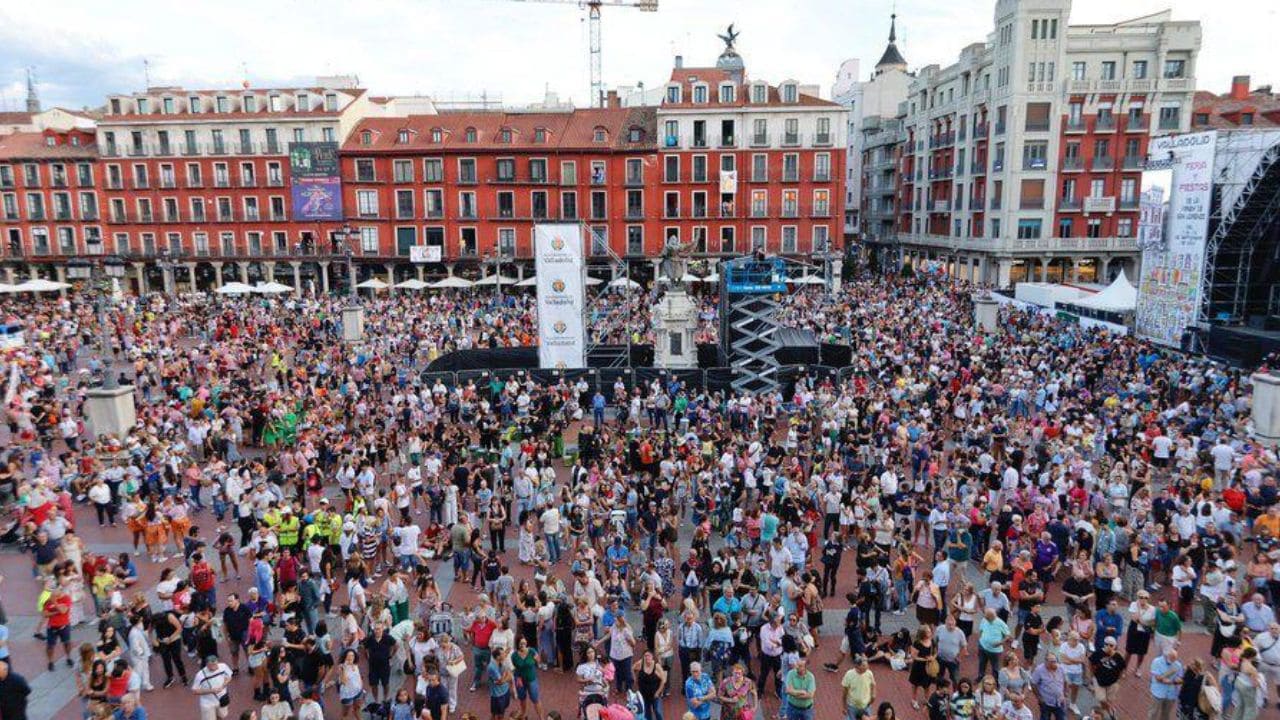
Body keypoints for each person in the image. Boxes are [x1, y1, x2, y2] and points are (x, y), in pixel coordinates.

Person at [511, 636, 544, 720]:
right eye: (521, 643)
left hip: (531, 679)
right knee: (522, 698)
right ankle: (524, 715)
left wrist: (537, 658)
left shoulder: (532, 651)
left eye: (524, 643)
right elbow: (515, 667)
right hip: (520, 680)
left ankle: (541, 717)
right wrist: (517, 677)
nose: (523, 645)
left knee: (535, 699)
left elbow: (539, 661)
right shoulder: (514, 655)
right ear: (518, 644)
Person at [191, 655, 232, 720]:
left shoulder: (223, 666)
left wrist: (223, 685)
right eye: (211, 665)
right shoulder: (200, 675)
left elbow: (229, 677)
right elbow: (194, 691)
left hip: (222, 698)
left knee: (222, 716)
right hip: (208, 703)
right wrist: (211, 690)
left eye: (215, 664)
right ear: (206, 664)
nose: (215, 667)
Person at [1028, 653, 1067, 720]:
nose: (1054, 663)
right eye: (1052, 661)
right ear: (1046, 662)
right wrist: (1039, 697)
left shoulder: (1061, 668)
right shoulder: (1039, 670)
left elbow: (1065, 681)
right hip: (1046, 702)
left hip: (1059, 702)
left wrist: (1065, 694)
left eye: (1055, 661)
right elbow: (1033, 683)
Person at [1148, 647, 1184, 720]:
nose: (1173, 661)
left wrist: (1177, 680)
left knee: (1166, 715)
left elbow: (1181, 679)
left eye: (1175, 659)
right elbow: (1158, 679)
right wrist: (1172, 679)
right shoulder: (1156, 662)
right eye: (1172, 658)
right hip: (1158, 693)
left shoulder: (1178, 664)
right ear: (1166, 655)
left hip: (1171, 694)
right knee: (1153, 713)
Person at [841, 655, 876, 720]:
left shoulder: (869, 673)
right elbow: (845, 692)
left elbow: (873, 685)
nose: (867, 667)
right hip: (852, 706)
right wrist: (844, 706)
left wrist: (873, 694)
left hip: (866, 706)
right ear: (857, 666)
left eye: (867, 665)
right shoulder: (849, 674)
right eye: (864, 666)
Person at [782, 656, 816, 720]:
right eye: (797, 664)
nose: (797, 667)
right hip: (792, 708)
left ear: (805, 668)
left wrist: (794, 694)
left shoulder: (810, 677)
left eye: (800, 666)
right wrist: (802, 692)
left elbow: (810, 695)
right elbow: (788, 690)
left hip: (807, 710)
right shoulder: (791, 673)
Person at [486, 646, 513, 720]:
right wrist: (505, 676)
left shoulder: (502, 662)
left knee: (501, 712)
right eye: (503, 653)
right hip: (498, 695)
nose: (505, 654)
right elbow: (501, 681)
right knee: (498, 715)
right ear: (498, 657)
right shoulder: (492, 667)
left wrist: (505, 678)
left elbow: (510, 676)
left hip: (505, 691)